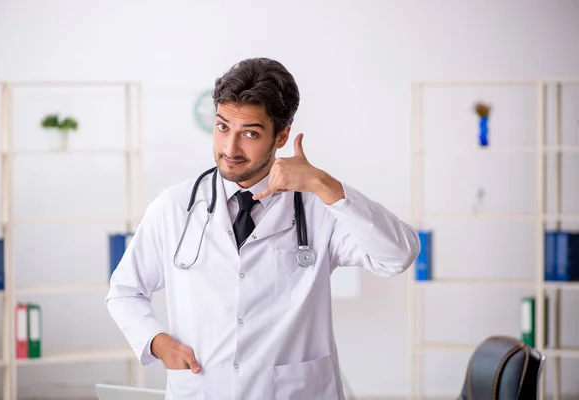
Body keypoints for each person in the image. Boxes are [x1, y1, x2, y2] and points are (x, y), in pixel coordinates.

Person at [105, 57, 421, 400]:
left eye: (250, 134)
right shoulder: (174, 207)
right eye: (223, 127)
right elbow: (125, 291)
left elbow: (398, 255)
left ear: (281, 136)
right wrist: (156, 340)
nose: (230, 149)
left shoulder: (319, 207)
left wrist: (322, 183)